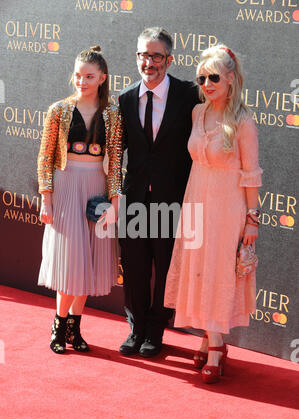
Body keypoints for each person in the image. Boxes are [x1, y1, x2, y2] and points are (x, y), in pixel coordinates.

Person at [164, 44, 263, 383]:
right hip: (196, 200)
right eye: (202, 78)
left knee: (218, 270)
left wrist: (252, 220)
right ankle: (210, 336)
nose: (206, 84)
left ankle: (217, 347)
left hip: (227, 206)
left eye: (214, 78)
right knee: (199, 270)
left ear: (231, 80)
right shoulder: (197, 113)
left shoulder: (243, 121)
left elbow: (251, 174)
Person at [118, 27, 200, 358]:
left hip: (173, 200)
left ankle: (155, 331)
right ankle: (135, 329)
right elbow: (118, 150)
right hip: (135, 198)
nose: (148, 62)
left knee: (165, 269)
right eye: (142, 55)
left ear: (169, 59)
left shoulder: (190, 95)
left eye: (155, 56)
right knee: (135, 268)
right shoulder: (125, 98)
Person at [37, 46, 123, 354]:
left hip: (95, 187)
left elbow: (114, 162)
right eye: (78, 75)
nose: (82, 81)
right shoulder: (58, 110)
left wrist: (115, 202)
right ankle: (59, 325)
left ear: (102, 78)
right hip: (65, 186)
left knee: (89, 259)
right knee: (70, 260)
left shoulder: (112, 113)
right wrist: (46, 200)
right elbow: (45, 157)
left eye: (89, 76)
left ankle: (75, 327)